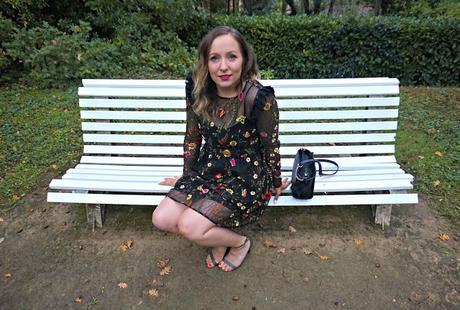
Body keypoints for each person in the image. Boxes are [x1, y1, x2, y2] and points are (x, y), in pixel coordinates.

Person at [152, 26, 290, 272]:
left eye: (231, 57)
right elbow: (192, 137)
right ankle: (214, 236)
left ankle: (239, 243)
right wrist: (186, 176)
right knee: (161, 218)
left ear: (245, 60)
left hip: (246, 175)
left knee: (189, 227)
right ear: (206, 62)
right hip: (208, 168)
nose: (223, 66)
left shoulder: (258, 98)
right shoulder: (198, 90)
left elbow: (271, 145)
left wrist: (276, 180)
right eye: (215, 58)